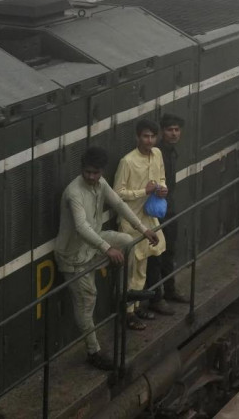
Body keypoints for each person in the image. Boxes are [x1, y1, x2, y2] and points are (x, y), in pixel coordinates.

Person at [54, 147, 160, 371]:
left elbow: (119, 204)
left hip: (92, 245)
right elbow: (81, 227)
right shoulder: (74, 193)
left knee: (126, 240)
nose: (91, 177)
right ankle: (93, 352)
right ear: (82, 169)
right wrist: (107, 248)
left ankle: (122, 292)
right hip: (73, 256)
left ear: (102, 171)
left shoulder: (100, 184)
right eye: (87, 172)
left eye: (96, 172)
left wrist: (143, 229)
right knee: (87, 302)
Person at [113, 120, 170, 329]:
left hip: (149, 219)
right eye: (146, 136)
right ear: (137, 137)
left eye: (153, 136)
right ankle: (127, 313)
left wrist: (163, 188)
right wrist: (143, 192)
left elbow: (161, 177)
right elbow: (117, 194)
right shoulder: (127, 161)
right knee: (131, 268)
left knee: (142, 266)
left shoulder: (157, 154)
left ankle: (136, 307)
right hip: (130, 221)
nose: (149, 140)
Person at [152, 114, 189, 304]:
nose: (174, 133)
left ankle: (170, 290)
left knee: (170, 250)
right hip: (158, 210)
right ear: (162, 132)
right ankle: (156, 297)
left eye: (176, 130)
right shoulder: (157, 154)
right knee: (157, 253)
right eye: (169, 130)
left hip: (169, 208)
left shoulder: (172, 152)